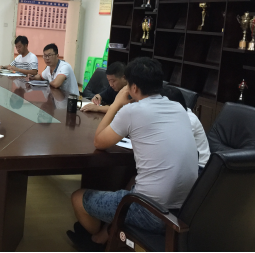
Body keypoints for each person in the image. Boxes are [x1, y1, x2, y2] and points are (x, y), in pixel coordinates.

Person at [69, 58, 198, 251]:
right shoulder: (179, 108)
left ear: (133, 88)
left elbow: (99, 141)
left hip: (151, 212)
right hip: (185, 211)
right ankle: (105, 234)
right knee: (130, 182)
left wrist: (117, 104)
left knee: (77, 198)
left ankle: (95, 240)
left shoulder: (132, 111)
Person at [161, 86, 211, 173]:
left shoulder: (188, 120)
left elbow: (174, 148)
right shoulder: (173, 115)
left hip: (199, 167)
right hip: (182, 162)